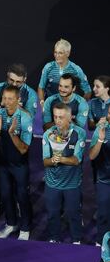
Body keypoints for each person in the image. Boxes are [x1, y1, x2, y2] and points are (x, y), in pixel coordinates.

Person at [0, 86, 34, 241]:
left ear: (18, 100)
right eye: (4, 98)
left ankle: (25, 227)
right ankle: (11, 223)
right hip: (2, 163)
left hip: (19, 164)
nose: (6, 102)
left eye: (10, 99)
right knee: (5, 194)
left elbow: (23, 149)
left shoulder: (25, 118)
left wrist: (11, 133)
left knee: (22, 195)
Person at [42, 103, 86, 244]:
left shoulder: (79, 133)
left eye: (61, 117)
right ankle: (54, 238)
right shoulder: (48, 134)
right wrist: (52, 160)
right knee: (52, 214)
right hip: (52, 183)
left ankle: (76, 240)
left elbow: (76, 160)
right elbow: (45, 161)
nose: (57, 120)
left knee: (74, 214)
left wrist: (60, 159)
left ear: (70, 117)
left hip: (72, 184)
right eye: (55, 117)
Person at [37, 38, 91, 104]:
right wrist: (42, 103)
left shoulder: (76, 69)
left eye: (60, 53)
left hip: (69, 106)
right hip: (51, 104)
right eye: (55, 52)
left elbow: (87, 91)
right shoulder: (48, 67)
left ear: (67, 53)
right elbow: (41, 87)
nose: (57, 56)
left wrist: (82, 105)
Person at [89, 111, 110, 244]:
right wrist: (100, 140)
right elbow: (92, 156)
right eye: (109, 112)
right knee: (103, 215)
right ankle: (101, 242)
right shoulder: (101, 129)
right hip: (104, 180)